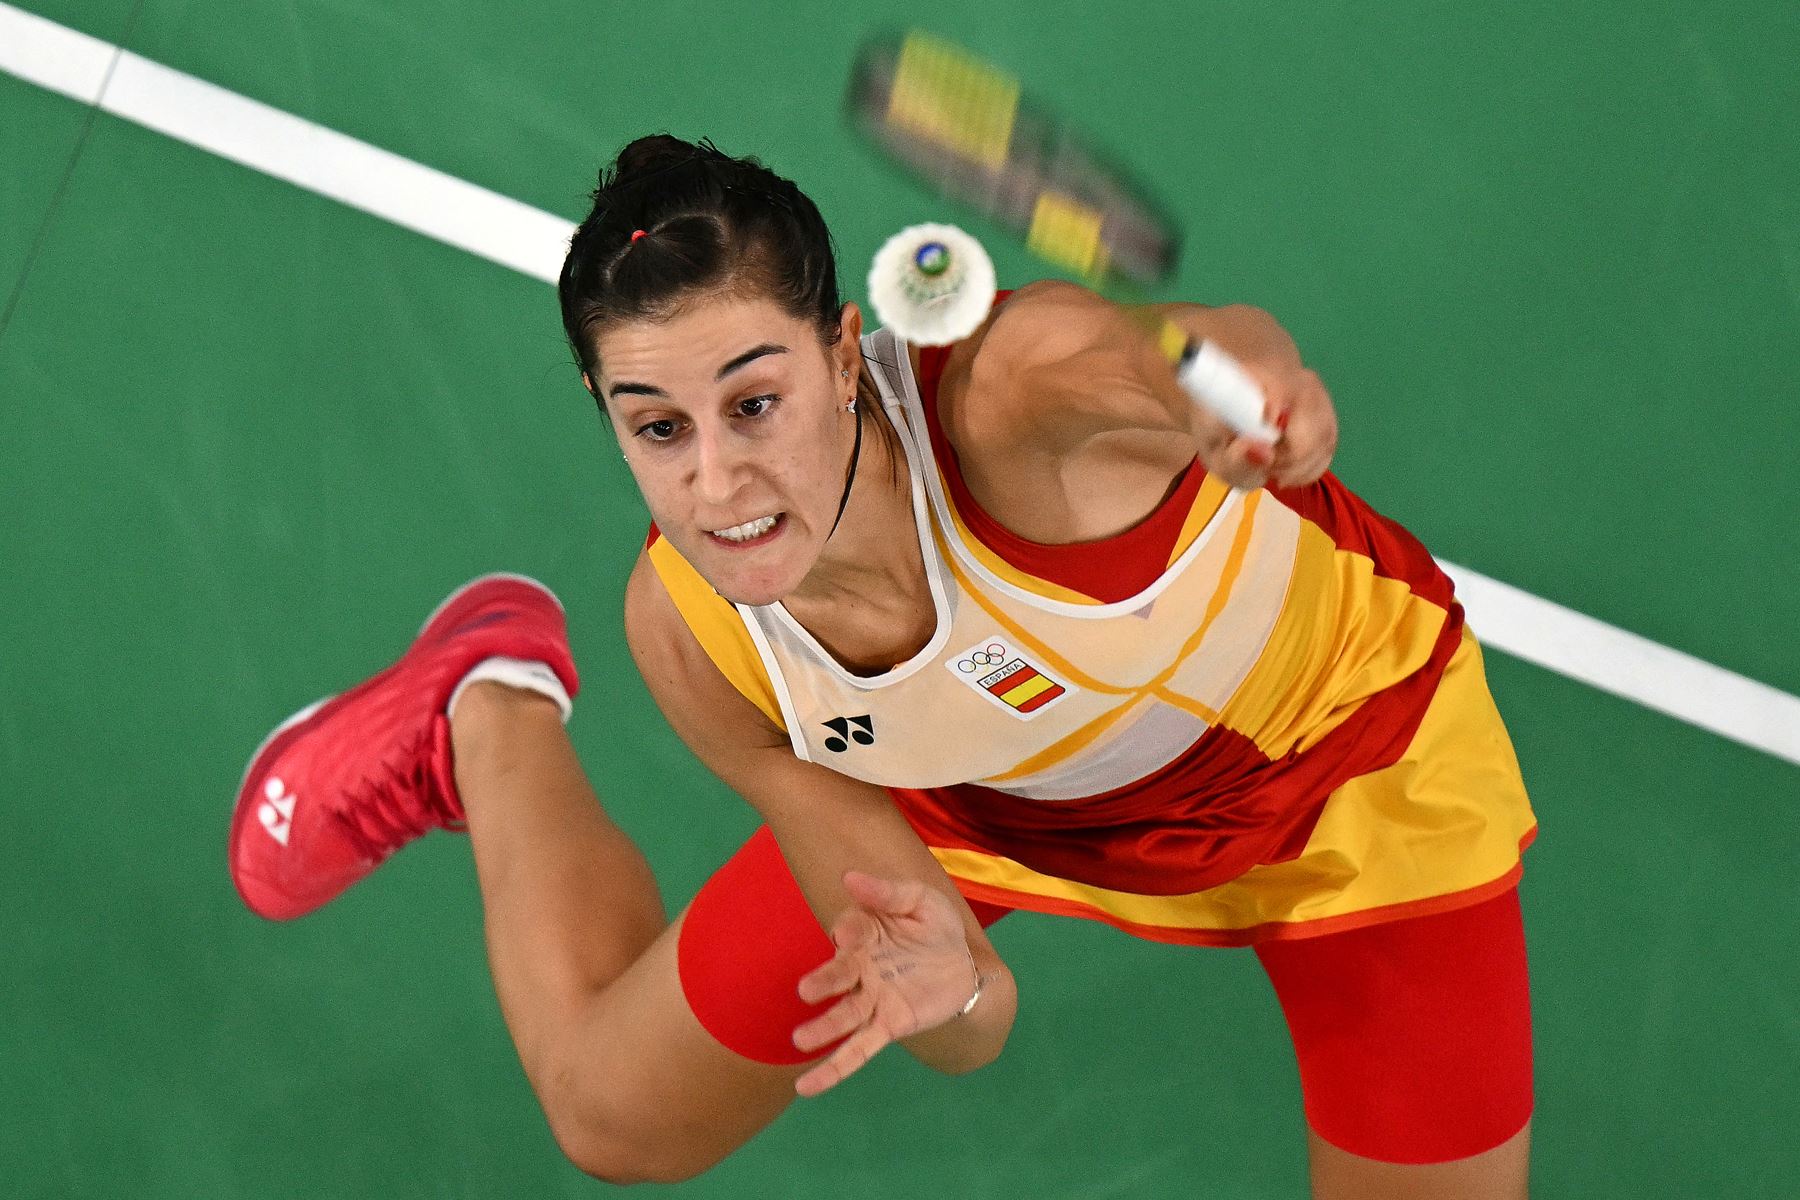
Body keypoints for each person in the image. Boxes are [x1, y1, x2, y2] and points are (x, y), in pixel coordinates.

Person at [228, 134, 1538, 1199]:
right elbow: (978, 1023)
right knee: (611, 1116)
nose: (718, 483)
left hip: (1347, 776)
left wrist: (1243, 386)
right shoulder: (694, 637)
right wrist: (948, 984)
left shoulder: (1012, 409)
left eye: (756, 403)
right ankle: (486, 710)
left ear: (848, 355)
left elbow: (1176, 347)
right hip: (983, 803)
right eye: (658, 428)